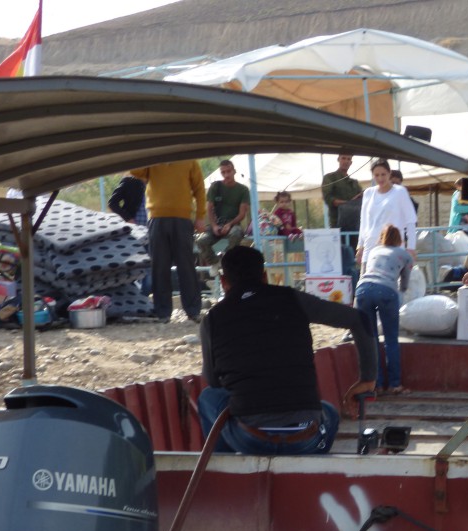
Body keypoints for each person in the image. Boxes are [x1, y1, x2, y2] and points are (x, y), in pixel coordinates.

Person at [198, 245, 377, 455]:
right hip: (305, 439)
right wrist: (368, 378)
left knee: (209, 397)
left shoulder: (212, 319)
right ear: (264, 276)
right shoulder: (294, 299)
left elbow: (213, 381)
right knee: (328, 411)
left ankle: (226, 473)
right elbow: (359, 319)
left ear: (223, 281)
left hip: (249, 439)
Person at [129, 160, 206, 323]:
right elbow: (135, 170)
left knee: (186, 265)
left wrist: (200, 216)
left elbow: (199, 189)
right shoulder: (155, 156)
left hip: (183, 218)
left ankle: (193, 310)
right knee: (159, 266)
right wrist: (149, 152)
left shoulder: (190, 160)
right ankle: (162, 312)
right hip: (157, 217)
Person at [356, 224, 414, 395]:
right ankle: (395, 384)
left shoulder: (374, 251)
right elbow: (404, 284)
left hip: (363, 290)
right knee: (391, 340)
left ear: (381, 238)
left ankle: (377, 385)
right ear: (400, 239)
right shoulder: (405, 255)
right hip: (387, 291)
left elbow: (366, 271)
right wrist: (400, 294)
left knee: (371, 340)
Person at [356, 158, 417, 272]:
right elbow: (363, 221)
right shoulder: (368, 193)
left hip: (392, 248)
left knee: (391, 286)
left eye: (383, 174)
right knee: (365, 285)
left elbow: (410, 220)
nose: (380, 178)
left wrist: (411, 248)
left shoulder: (400, 192)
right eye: (376, 175)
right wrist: (360, 246)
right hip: (370, 248)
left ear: (389, 173)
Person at [196, 159, 250, 266]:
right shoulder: (215, 187)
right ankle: (214, 263)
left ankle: (227, 262)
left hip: (233, 224)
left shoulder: (243, 190)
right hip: (217, 224)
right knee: (200, 240)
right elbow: (209, 208)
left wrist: (230, 224)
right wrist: (214, 225)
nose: (226, 175)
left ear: (234, 171)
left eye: (228, 171)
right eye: (223, 172)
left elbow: (242, 214)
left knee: (236, 234)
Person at [321, 153, 363, 235]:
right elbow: (328, 199)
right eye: (343, 158)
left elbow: (362, 199)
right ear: (338, 159)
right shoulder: (330, 178)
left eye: (348, 159)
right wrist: (350, 203)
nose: (346, 161)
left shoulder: (354, 182)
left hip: (355, 225)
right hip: (337, 225)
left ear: (351, 162)